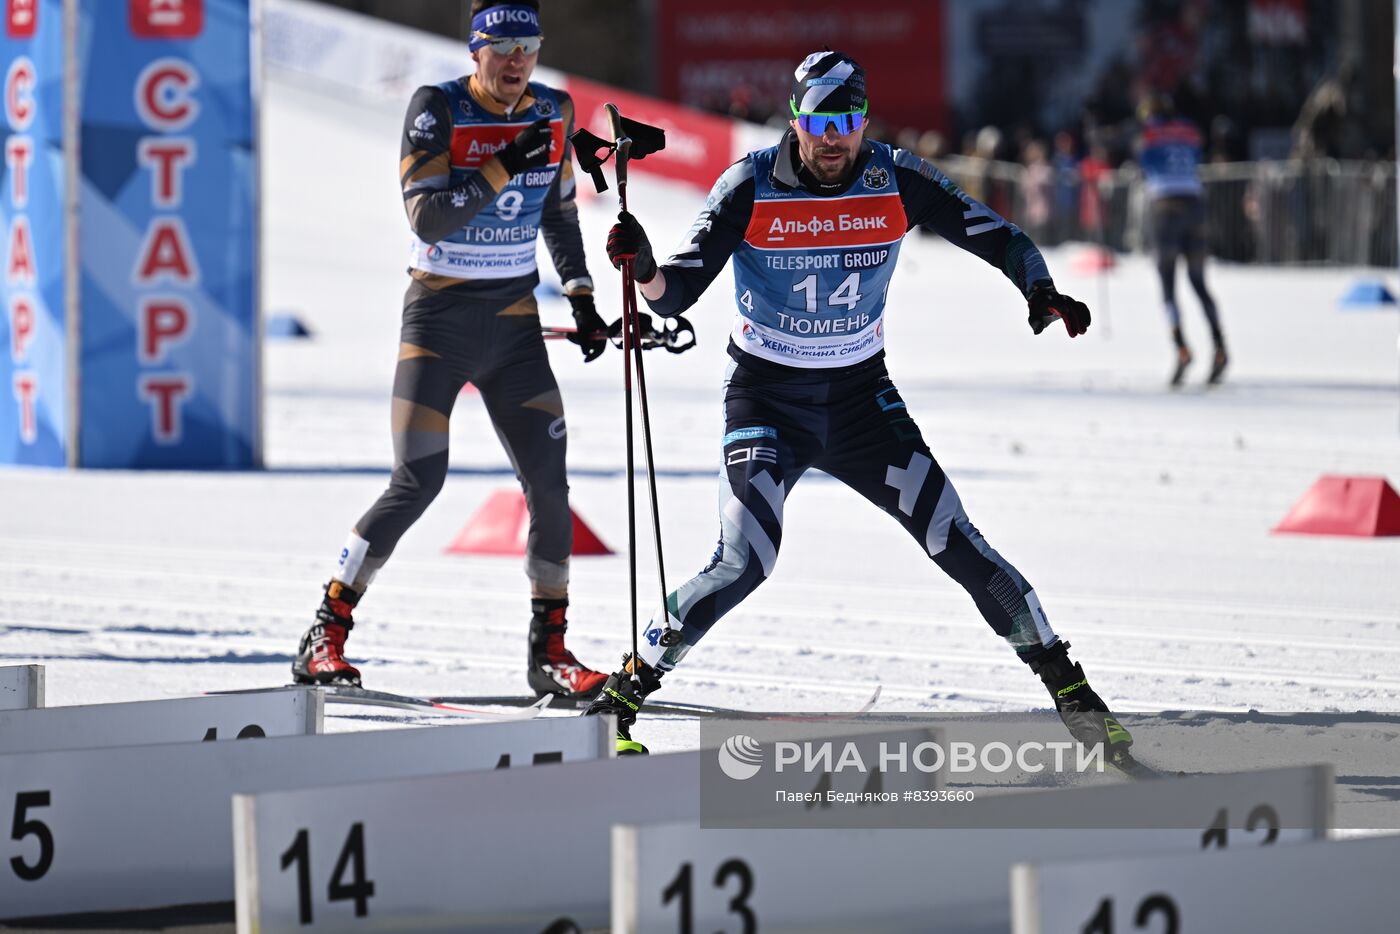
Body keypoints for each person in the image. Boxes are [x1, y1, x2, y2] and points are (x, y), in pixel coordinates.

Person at [586, 50, 1133, 763]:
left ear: (864, 121)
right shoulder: (748, 184)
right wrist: (644, 264)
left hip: (859, 404)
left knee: (957, 541)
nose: (833, 137)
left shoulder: (895, 176)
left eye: (847, 120)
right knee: (745, 560)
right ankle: (627, 692)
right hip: (767, 400)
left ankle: (1076, 698)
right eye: (819, 121)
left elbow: (999, 234)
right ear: (795, 120)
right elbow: (675, 293)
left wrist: (1039, 288)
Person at [292, 0, 609, 699]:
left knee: (550, 487)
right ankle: (325, 632)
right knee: (417, 481)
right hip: (438, 324)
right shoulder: (436, 107)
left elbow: (557, 211)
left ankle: (548, 652)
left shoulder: (553, 110)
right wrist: (502, 164)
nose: (516, 61)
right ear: (476, 51)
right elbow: (427, 216)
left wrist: (582, 297)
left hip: (515, 328)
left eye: (528, 46)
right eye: (502, 48)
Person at [1137, 93, 1227, 387]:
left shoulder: (1149, 131)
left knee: (1168, 286)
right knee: (1199, 282)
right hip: (1195, 204)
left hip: (1165, 206)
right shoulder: (1189, 128)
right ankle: (1219, 345)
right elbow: (1196, 154)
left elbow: (1143, 161)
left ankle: (1181, 347)